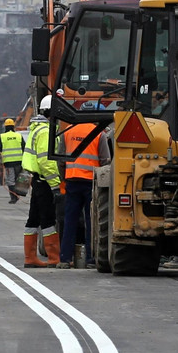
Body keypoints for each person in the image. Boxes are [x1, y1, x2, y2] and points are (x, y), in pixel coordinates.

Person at [57, 112, 109, 269]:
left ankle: (65, 259)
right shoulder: (100, 134)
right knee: (90, 221)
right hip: (90, 183)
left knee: (70, 221)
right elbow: (105, 161)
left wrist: (63, 178)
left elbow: (60, 160)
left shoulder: (67, 133)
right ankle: (90, 259)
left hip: (72, 180)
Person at [21, 95, 61, 268]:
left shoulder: (37, 128)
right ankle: (54, 258)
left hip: (37, 180)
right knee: (48, 219)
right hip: (44, 181)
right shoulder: (45, 131)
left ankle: (30, 258)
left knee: (33, 219)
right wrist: (56, 185)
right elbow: (46, 161)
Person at [0, 118, 25, 204]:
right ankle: (18, 194)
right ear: (13, 126)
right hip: (19, 162)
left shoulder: (3, 137)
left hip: (9, 163)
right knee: (18, 179)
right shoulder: (19, 136)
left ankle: (14, 197)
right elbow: (25, 148)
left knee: (10, 180)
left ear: (5, 127)